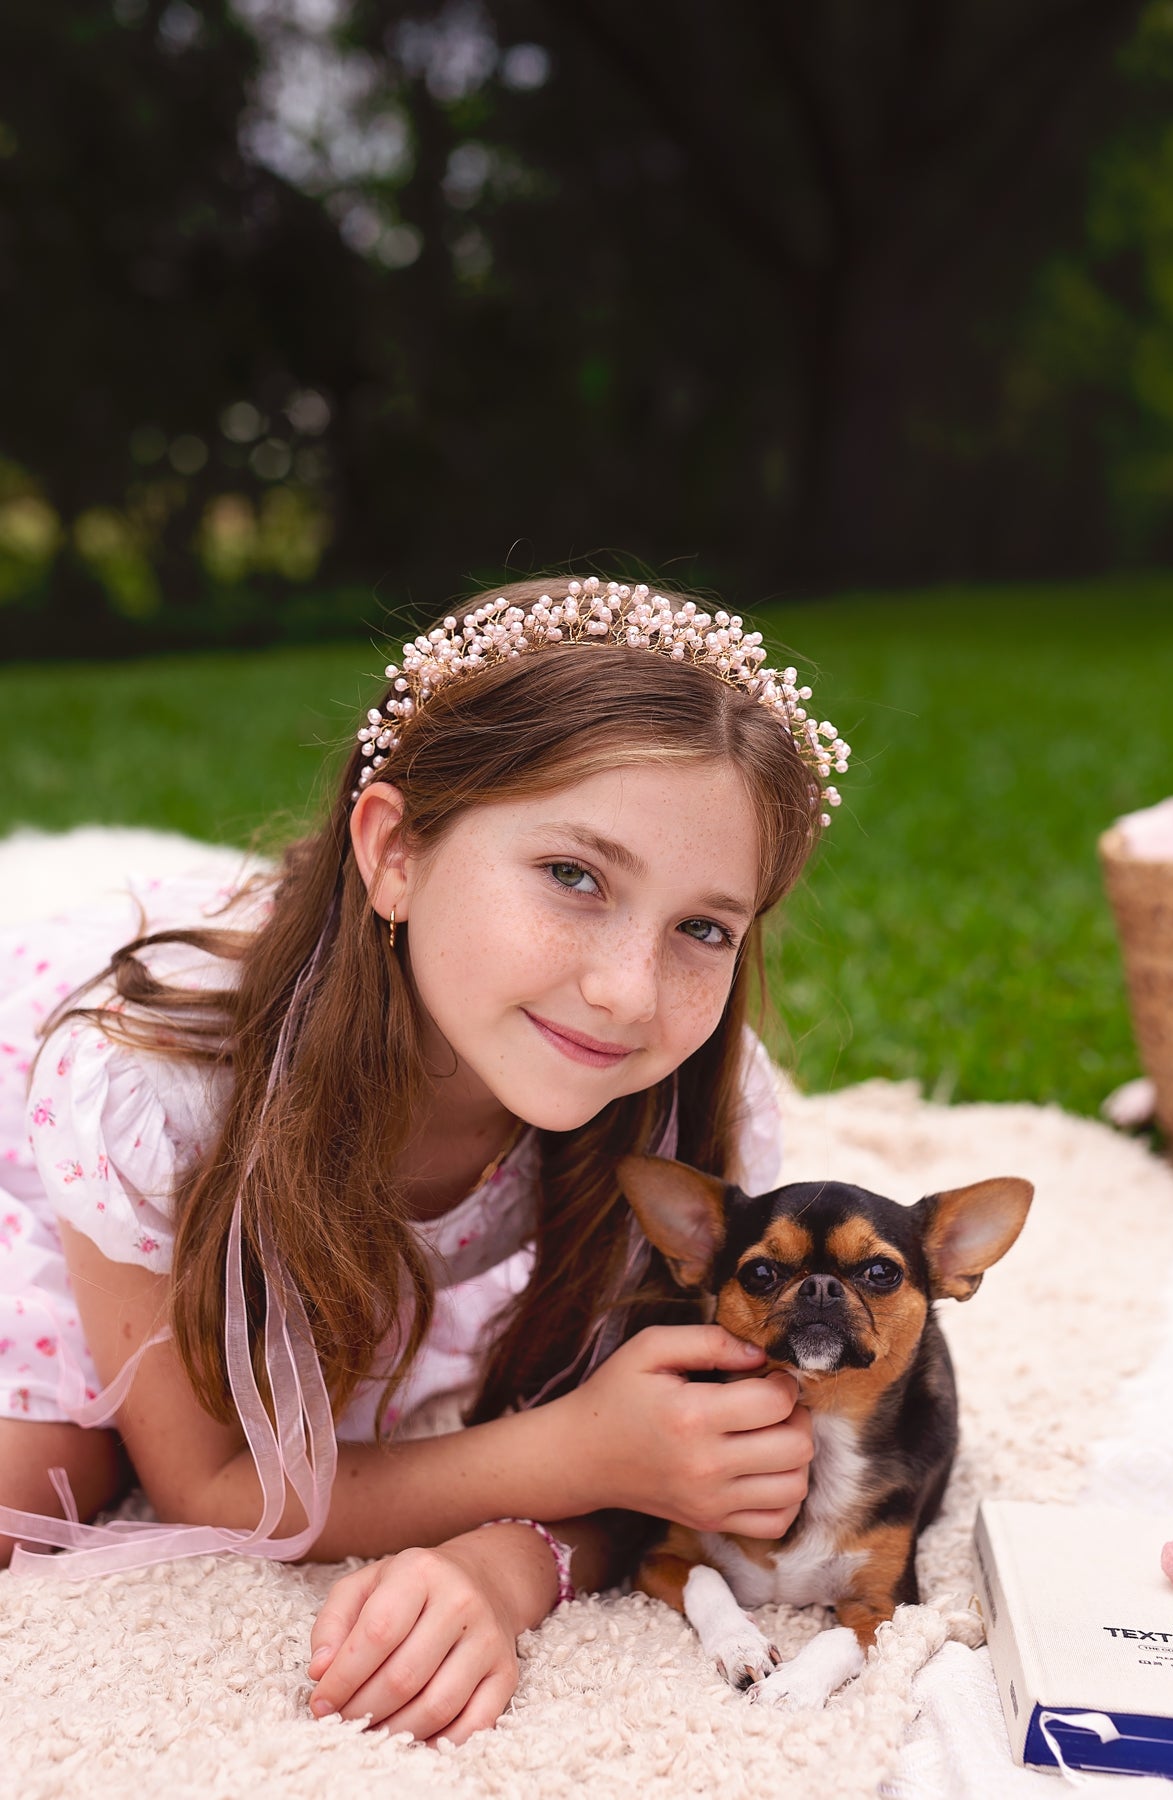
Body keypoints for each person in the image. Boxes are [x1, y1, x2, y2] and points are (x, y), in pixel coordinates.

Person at [0, 576, 849, 1745]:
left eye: (703, 928)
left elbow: (691, 1467)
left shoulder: (689, 1118)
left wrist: (514, 1560)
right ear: (394, 852)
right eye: (574, 876)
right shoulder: (146, 1090)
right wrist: (565, 1449)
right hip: (63, 1113)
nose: (627, 991)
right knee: (37, 1481)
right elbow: (206, 1482)